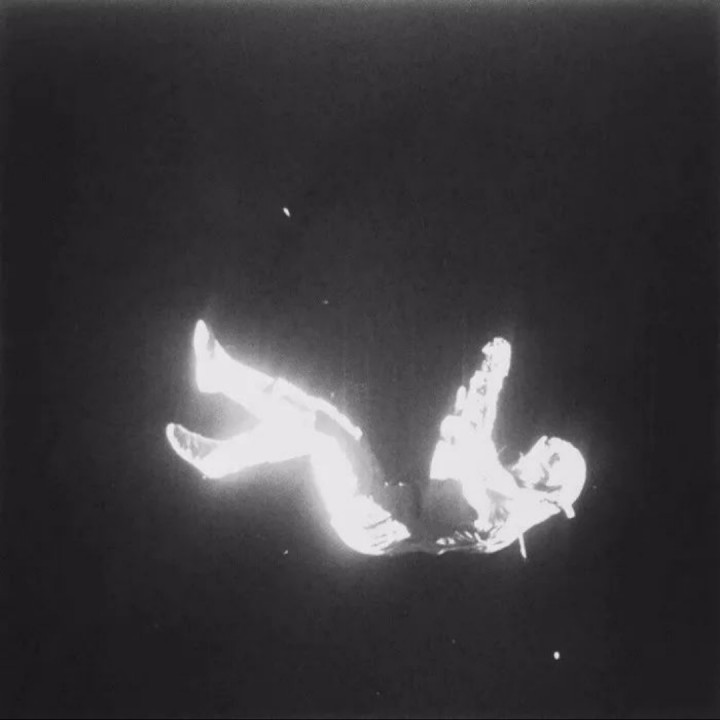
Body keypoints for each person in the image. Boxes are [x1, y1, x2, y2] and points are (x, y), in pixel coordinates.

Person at [166, 320, 586, 558]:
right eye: (554, 444)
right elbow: (449, 468)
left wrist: (490, 380)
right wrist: (484, 385)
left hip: (375, 520)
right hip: (382, 501)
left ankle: (220, 433)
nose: (546, 441)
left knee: (323, 434)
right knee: (322, 420)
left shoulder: (506, 514)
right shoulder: (502, 490)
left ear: (548, 486)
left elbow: (474, 463)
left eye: (553, 454)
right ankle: (220, 389)